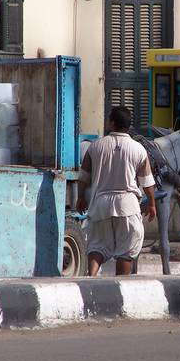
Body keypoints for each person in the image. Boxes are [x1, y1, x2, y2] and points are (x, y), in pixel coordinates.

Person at [76, 106, 156, 276]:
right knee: (126, 251)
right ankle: (121, 285)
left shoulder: (95, 147)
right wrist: (152, 204)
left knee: (97, 245)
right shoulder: (139, 149)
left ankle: (91, 279)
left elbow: (83, 177)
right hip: (128, 205)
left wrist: (80, 197)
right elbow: (147, 181)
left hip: (101, 205)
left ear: (112, 123)